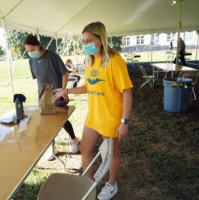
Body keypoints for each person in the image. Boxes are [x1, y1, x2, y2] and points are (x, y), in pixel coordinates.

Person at [52, 22, 133, 200]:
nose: (85, 44)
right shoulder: (90, 61)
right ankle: (88, 185)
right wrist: (67, 90)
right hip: (94, 117)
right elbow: (89, 86)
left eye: (89, 40)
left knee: (110, 155)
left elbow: (127, 92)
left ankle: (112, 184)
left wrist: (124, 121)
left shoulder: (115, 60)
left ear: (100, 39)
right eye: (83, 41)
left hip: (112, 119)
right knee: (84, 148)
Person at [24, 35, 79, 155]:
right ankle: (52, 147)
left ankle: (74, 139)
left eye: (32, 50)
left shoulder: (52, 56)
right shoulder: (31, 60)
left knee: (62, 120)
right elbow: (38, 77)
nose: (30, 53)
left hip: (58, 93)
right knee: (46, 122)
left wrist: (63, 90)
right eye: (28, 51)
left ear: (38, 45)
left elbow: (65, 73)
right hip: (43, 95)